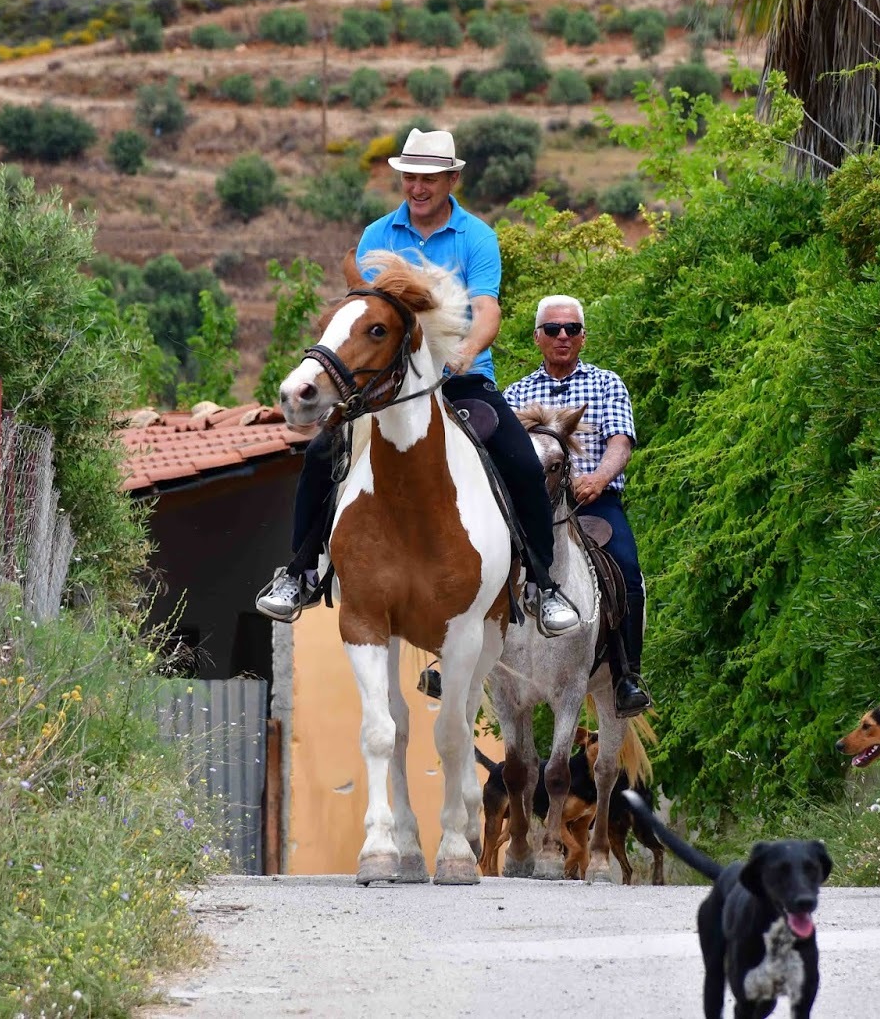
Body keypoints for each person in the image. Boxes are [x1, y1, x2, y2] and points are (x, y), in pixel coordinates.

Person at [256, 128, 581, 638]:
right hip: (386, 390)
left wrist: (464, 355)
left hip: (461, 380)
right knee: (323, 454)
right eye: (410, 176)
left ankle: (543, 585)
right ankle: (298, 573)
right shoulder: (377, 236)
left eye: (429, 177)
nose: (418, 186)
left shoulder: (476, 237)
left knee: (519, 458)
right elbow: (362, 315)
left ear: (452, 178)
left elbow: (488, 311)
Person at [504, 294, 652, 717]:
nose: (563, 336)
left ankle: (627, 676)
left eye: (571, 329)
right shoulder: (515, 394)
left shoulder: (608, 384)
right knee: (483, 562)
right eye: (553, 329)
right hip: (532, 512)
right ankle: (463, 664)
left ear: (583, 337)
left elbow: (621, 442)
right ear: (538, 338)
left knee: (626, 568)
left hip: (594, 504)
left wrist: (600, 478)